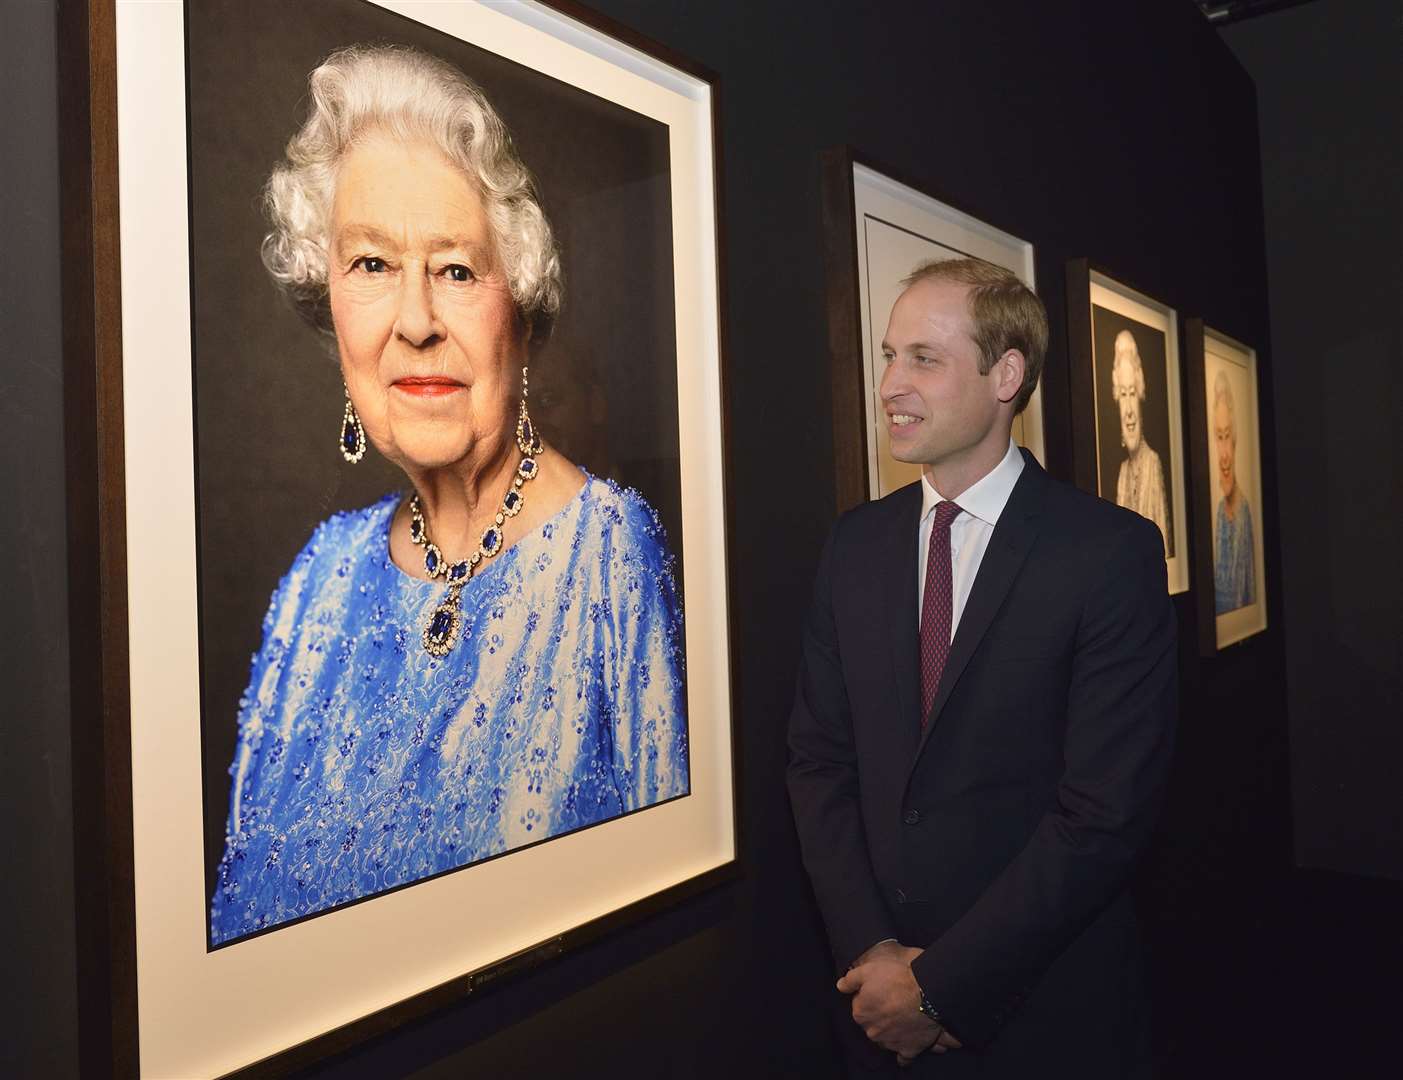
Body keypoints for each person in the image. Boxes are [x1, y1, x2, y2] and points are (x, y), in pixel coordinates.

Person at [210, 45, 689, 945]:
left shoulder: (610, 557)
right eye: (371, 264)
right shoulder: (316, 579)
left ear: (520, 306)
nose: (418, 320)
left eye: (457, 269)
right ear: (329, 301)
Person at [787, 258, 1176, 1077]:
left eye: (922, 359)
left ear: (1006, 375)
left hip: (1040, 1010)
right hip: (872, 1008)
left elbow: (1102, 813)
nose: (889, 383)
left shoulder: (1106, 553)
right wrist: (876, 957)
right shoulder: (852, 545)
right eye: (889, 356)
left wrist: (942, 987)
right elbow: (819, 763)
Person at [1110, 329, 1172, 555]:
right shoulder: (1123, 473)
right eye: (1124, 395)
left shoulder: (1153, 463)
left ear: (1141, 396)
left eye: (1132, 393)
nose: (1128, 412)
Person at [1212, 370, 1256, 613]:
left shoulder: (1245, 513)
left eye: (1227, 436)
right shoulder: (1219, 513)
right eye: (1219, 437)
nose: (1224, 454)